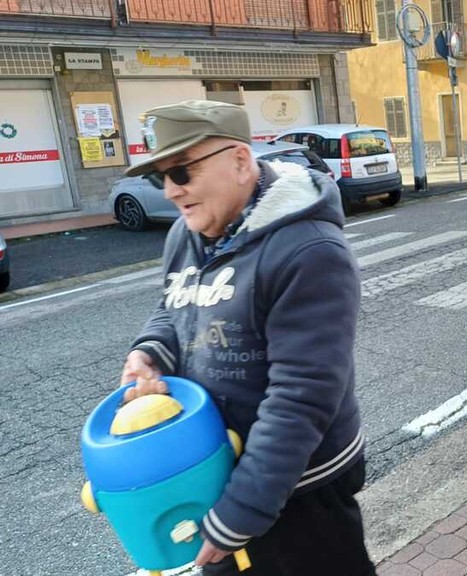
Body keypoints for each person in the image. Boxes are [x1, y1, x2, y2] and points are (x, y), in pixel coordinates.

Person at [118, 100, 374, 575]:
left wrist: (242, 511)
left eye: (182, 171)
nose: (171, 190)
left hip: (302, 490)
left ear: (239, 161)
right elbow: (174, 306)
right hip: (220, 474)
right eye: (159, 177)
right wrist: (149, 351)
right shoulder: (186, 234)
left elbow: (301, 396)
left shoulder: (310, 250)